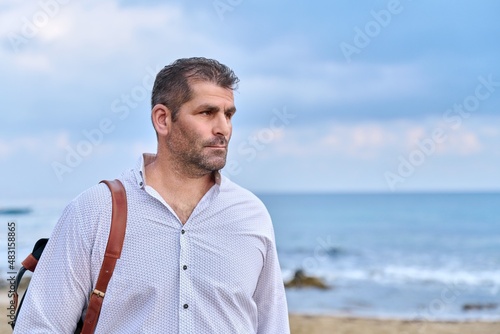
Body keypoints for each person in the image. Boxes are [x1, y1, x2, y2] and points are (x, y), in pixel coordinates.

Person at [14, 57, 290, 333]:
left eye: (228, 115)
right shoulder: (94, 211)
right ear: (163, 119)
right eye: (207, 113)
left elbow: (273, 326)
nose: (223, 129)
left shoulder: (251, 215)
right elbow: (39, 326)